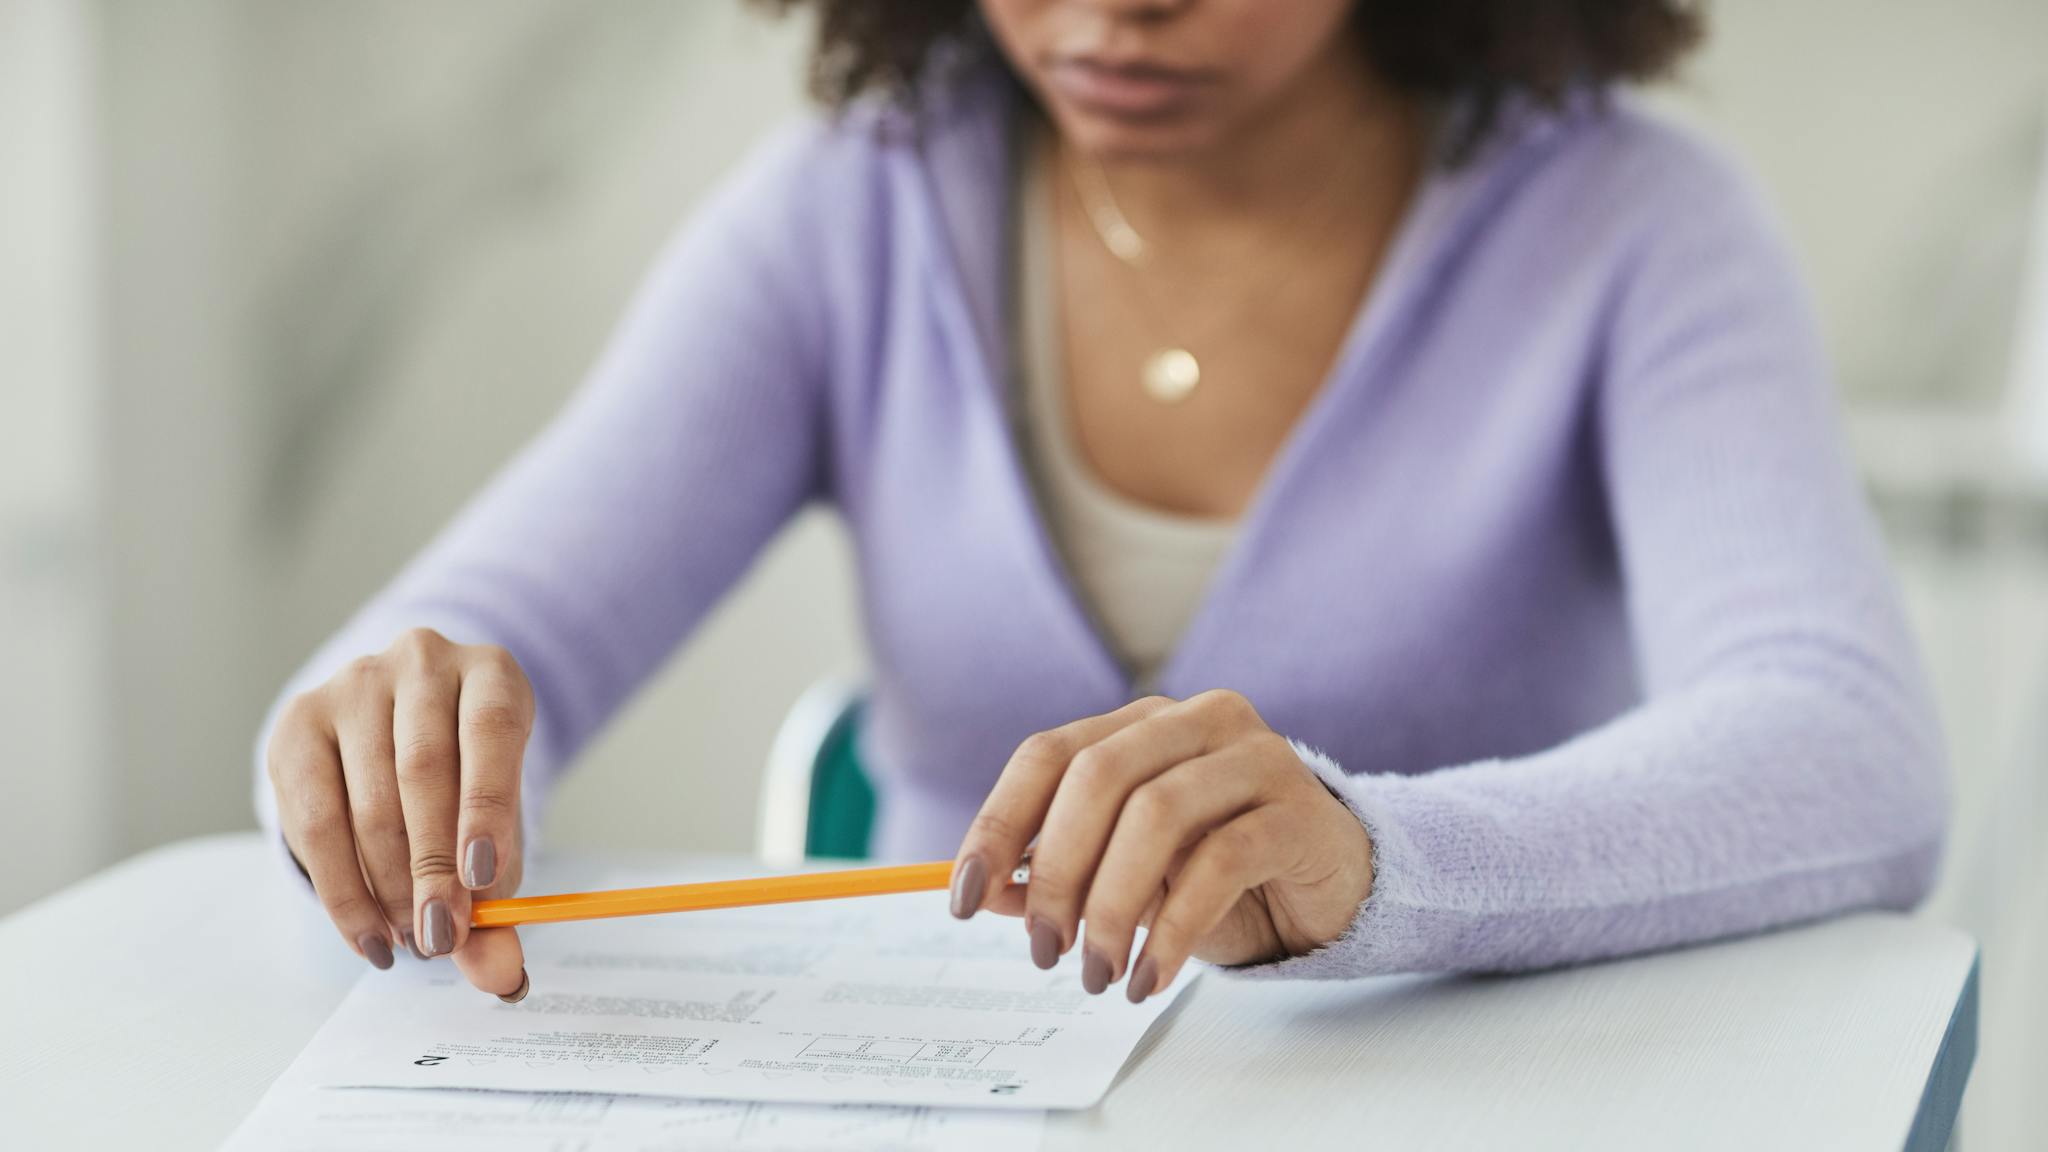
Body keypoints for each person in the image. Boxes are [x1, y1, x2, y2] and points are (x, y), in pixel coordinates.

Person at [256, 0, 1947, 1009]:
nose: (1118, 9)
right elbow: (465, 635)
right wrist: (390, 757)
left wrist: (1375, 862)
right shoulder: (857, 210)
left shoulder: (1631, 223)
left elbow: (1843, 740)